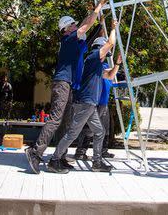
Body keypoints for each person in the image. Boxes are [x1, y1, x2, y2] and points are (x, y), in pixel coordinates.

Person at [25, 0, 107, 174]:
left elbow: (90, 35)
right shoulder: (68, 40)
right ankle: (35, 152)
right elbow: (86, 25)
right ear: (66, 29)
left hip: (69, 85)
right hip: (62, 83)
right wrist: (98, 7)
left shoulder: (76, 44)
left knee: (66, 122)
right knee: (55, 119)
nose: (76, 26)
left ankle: (58, 159)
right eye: (73, 25)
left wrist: (101, 23)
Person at [47, 20, 119, 174]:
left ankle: (97, 162)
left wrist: (117, 64)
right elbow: (111, 43)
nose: (107, 55)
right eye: (106, 52)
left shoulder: (97, 65)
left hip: (90, 104)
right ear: (100, 48)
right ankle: (54, 159)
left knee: (99, 132)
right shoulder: (94, 56)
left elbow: (110, 75)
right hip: (85, 103)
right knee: (72, 133)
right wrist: (113, 28)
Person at [73, 53, 121, 161]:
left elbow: (111, 74)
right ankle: (81, 151)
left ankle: (103, 150)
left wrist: (117, 64)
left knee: (104, 128)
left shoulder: (102, 65)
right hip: (97, 101)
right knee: (90, 128)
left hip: (104, 101)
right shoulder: (95, 66)